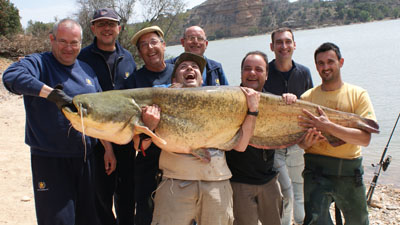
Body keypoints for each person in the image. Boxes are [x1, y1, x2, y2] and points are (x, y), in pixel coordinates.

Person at [139, 52, 260, 225]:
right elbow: (139, 145)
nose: (190, 68)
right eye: (183, 67)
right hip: (175, 184)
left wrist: (252, 112)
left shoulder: (221, 103)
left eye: (195, 67)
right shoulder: (158, 104)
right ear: (174, 81)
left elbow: (240, 146)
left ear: (202, 80)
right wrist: (148, 127)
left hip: (217, 185)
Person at [2, 19, 101, 225]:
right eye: (62, 41)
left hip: (86, 159)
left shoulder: (87, 70)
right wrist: (51, 94)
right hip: (50, 159)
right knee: (58, 221)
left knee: (88, 219)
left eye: (74, 43)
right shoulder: (39, 63)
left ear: (81, 43)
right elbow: (11, 77)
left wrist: (108, 149)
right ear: (51, 39)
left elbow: (99, 113)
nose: (68, 47)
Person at [298, 42, 377, 225]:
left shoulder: (358, 95)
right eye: (320, 63)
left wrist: (328, 127)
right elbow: (300, 143)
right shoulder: (307, 98)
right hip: (315, 171)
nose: (325, 67)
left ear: (341, 62)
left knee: (359, 221)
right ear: (316, 66)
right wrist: (306, 142)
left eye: (330, 61)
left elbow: (365, 139)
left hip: (350, 171)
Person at [78, 8, 137, 225]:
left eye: (111, 24)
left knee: (127, 195)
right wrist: (106, 148)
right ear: (92, 28)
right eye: (101, 24)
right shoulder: (82, 58)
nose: (106, 28)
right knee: (100, 197)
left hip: (125, 140)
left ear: (119, 28)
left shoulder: (128, 57)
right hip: (96, 141)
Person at [226, 51, 297, 225]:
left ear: (266, 74)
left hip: (269, 182)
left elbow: (292, 128)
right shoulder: (228, 100)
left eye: (258, 69)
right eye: (247, 69)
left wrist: (291, 102)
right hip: (239, 183)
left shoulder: (275, 101)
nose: (252, 73)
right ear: (241, 72)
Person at [264, 27, 313, 225]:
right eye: (279, 42)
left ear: (294, 45)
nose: (283, 46)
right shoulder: (265, 72)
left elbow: (311, 105)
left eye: (287, 42)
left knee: (299, 191)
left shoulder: (304, 72)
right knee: (286, 193)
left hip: (298, 143)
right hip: (274, 144)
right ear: (272, 46)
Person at [129, 25, 174, 225]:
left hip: (181, 163)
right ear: (139, 53)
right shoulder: (133, 82)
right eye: (144, 45)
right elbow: (132, 136)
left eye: (154, 42)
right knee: (147, 217)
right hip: (149, 163)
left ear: (163, 45)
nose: (150, 48)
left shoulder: (180, 71)